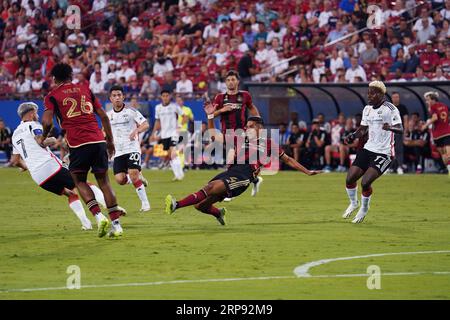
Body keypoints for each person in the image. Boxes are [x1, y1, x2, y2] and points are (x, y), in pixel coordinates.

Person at [164, 116, 321, 225]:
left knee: (209, 188)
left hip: (244, 175)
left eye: (250, 126)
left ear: (260, 128)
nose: (246, 128)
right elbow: (214, 137)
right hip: (232, 171)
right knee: (200, 206)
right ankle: (219, 213)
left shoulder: (268, 143)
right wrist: (211, 116)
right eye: (247, 126)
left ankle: (175, 205)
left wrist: (307, 171)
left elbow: (288, 159)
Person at [41, 63, 126, 238]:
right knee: (104, 182)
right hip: (98, 140)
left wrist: (43, 137)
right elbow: (103, 116)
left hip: (79, 143)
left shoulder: (52, 96)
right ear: (71, 76)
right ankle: (117, 226)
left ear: (54, 79)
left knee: (79, 181)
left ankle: (98, 216)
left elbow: (47, 122)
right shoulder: (85, 89)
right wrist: (109, 142)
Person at [10, 102, 106, 231]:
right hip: (50, 166)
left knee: (70, 193)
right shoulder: (33, 125)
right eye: (36, 112)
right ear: (32, 113)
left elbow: (15, 160)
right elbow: (41, 141)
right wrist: (54, 140)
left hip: (38, 177)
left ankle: (86, 224)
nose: (37, 115)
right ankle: (105, 212)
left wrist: (26, 166)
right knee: (83, 184)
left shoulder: (15, 134)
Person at [342, 81, 403, 223]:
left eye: (373, 93)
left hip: (384, 153)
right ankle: (354, 203)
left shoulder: (390, 108)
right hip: (368, 149)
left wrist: (390, 128)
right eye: (368, 92)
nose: (369, 95)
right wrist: (353, 136)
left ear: (381, 94)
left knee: (365, 182)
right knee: (350, 178)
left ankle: (364, 208)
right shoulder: (367, 109)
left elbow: (400, 129)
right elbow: (363, 129)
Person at [206, 70, 262, 199]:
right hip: (227, 134)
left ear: (238, 81)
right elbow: (211, 114)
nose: (231, 82)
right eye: (228, 80)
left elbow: (252, 107)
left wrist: (258, 120)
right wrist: (222, 109)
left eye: (233, 79)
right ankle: (254, 179)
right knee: (236, 162)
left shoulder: (245, 95)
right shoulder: (220, 98)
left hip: (241, 133)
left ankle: (229, 191)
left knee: (232, 162)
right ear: (225, 82)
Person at [107, 85, 151, 212]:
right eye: (114, 96)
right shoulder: (108, 115)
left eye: (119, 95)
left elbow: (146, 124)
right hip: (118, 151)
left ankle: (145, 204)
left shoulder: (131, 111)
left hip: (132, 148)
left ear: (123, 97)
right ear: (110, 99)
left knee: (132, 174)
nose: (117, 98)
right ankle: (138, 177)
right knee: (120, 180)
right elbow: (104, 131)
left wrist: (136, 130)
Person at [150, 90, 185, 181]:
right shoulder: (158, 108)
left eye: (167, 95)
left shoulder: (174, 107)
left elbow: (184, 116)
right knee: (170, 155)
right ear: (161, 97)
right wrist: (153, 133)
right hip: (164, 134)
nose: (165, 97)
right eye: (163, 96)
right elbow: (157, 121)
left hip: (174, 133)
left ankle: (180, 175)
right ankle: (177, 174)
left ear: (169, 96)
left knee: (173, 153)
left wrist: (179, 126)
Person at [421, 91, 450, 175]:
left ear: (433, 100)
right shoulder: (445, 106)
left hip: (439, 134)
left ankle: (449, 170)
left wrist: (425, 125)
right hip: (446, 132)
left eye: (428, 100)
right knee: (446, 154)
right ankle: (448, 170)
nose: (427, 102)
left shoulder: (433, 107)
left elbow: (435, 118)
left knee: (444, 154)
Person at [390, 92, 409, 174]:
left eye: (397, 97)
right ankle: (390, 167)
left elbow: (406, 120)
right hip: (390, 132)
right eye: (394, 97)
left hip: (399, 131)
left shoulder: (402, 108)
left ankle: (399, 167)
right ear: (391, 98)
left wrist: (405, 131)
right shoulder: (389, 108)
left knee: (399, 150)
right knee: (389, 150)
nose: (395, 98)